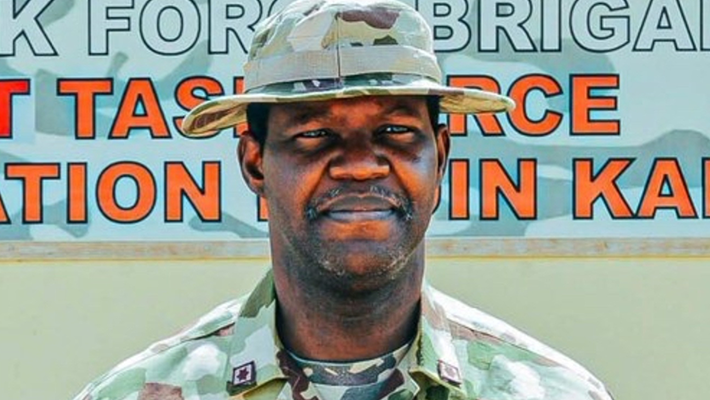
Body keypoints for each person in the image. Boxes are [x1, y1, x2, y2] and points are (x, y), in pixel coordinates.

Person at [74, 0, 613, 399]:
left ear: (441, 156)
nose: (360, 164)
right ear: (255, 163)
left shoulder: (548, 392)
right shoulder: (137, 394)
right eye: (315, 134)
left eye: (396, 131)